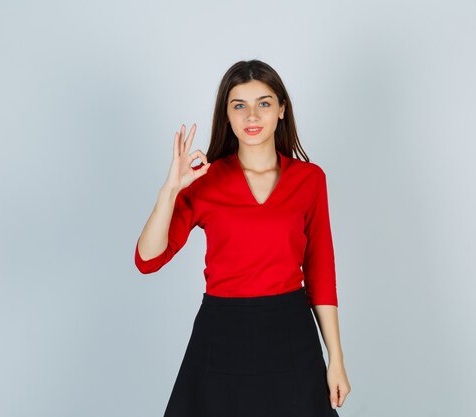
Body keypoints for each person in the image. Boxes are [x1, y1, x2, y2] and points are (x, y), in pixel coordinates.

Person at [135, 59, 351, 416]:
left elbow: (321, 275)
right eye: (240, 105)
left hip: (291, 334)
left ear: (282, 109)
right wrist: (169, 191)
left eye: (264, 103)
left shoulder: (309, 180)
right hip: (222, 334)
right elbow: (148, 259)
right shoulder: (205, 180)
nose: (252, 115)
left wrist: (336, 359)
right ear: (227, 114)